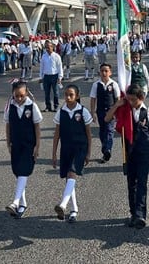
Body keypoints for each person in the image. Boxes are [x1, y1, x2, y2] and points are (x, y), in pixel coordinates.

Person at [104, 84, 149, 229]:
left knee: (142, 183)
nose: (131, 102)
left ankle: (141, 214)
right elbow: (107, 118)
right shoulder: (124, 110)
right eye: (129, 99)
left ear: (141, 98)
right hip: (128, 152)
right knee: (131, 184)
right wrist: (117, 104)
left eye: (134, 100)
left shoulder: (148, 112)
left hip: (144, 152)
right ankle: (133, 213)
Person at [52, 84, 93, 223]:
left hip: (80, 148)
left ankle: (63, 204)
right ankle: (74, 209)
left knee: (72, 173)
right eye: (66, 95)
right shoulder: (61, 112)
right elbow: (57, 134)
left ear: (77, 96)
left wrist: (89, 152)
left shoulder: (83, 111)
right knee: (69, 178)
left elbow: (89, 134)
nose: (68, 98)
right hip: (66, 149)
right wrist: (54, 154)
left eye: (71, 95)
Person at [4, 81, 42, 218]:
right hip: (16, 144)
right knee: (18, 172)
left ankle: (15, 202)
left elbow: (37, 127)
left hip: (28, 144)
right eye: (16, 96)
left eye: (21, 95)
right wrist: (8, 142)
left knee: (24, 171)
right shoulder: (10, 107)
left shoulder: (32, 107)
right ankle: (22, 204)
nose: (19, 99)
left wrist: (37, 145)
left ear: (26, 93)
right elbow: (8, 126)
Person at [89, 63, 121, 163]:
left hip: (111, 111)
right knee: (102, 131)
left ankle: (108, 149)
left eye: (106, 71)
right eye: (102, 71)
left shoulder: (114, 84)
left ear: (110, 72)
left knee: (109, 130)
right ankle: (105, 149)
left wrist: (117, 112)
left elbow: (117, 99)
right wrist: (93, 112)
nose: (104, 73)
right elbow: (93, 99)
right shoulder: (96, 85)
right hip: (100, 111)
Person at [39, 40, 63, 112]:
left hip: (54, 76)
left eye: (49, 47)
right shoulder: (44, 56)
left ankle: (56, 106)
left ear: (52, 47)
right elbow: (41, 67)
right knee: (47, 92)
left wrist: (60, 77)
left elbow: (59, 67)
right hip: (46, 76)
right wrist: (41, 77)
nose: (47, 49)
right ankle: (48, 106)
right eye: (46, 47)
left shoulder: (56, 56)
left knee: (55, 92)